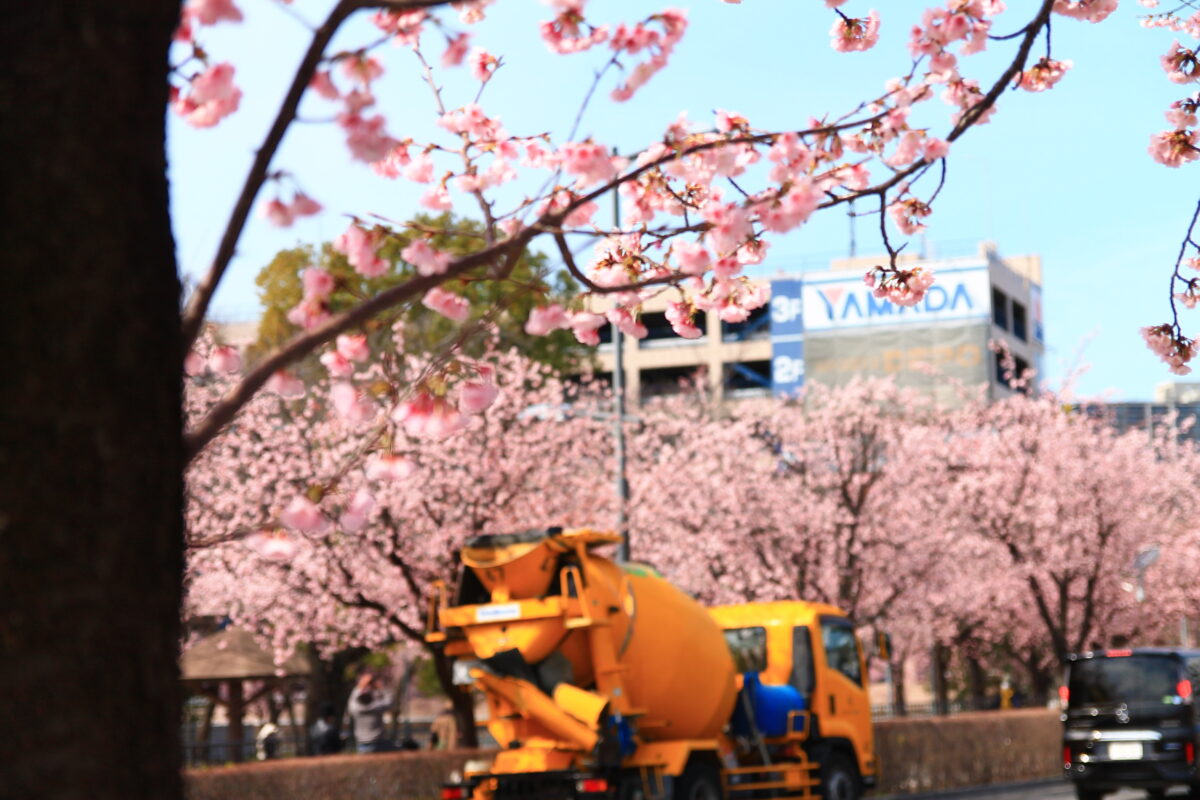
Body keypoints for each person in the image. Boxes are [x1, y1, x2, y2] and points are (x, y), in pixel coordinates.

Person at [348, 672, 395, 754]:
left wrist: (360, 686)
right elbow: (389, 701)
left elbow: (352, 699)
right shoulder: (376, 707)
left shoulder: (355, 708)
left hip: (361, 744)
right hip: (379, 743)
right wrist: (381, 687)